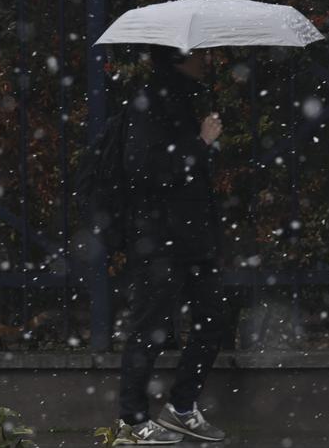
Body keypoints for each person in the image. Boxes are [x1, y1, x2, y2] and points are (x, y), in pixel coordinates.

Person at [113, 45, 228, 445]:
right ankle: (132, 418)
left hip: (193, 236)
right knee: (150, 328)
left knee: (212, 319)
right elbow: (144, 170)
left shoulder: (181, 95)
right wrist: (200, 142)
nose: (207, 59)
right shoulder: (149, 101)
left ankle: (181, 407)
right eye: (199, 53)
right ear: (178, 57)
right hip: (161, 238)